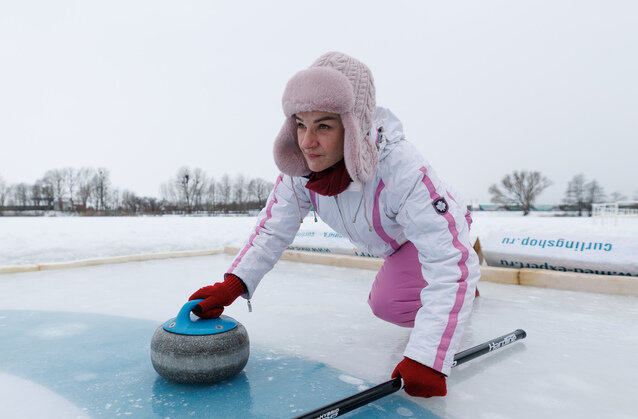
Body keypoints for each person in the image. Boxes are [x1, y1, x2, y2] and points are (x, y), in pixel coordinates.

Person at [189, 52, 480, 398]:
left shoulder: (401, 168)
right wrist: (233, 284)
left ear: (352, 124)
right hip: (393, 244)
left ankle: (468, 280)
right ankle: (463, 287)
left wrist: (429, 357)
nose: (307, 141)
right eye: (300, 124)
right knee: (385, 301)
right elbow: (273, 229)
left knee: (391, 304)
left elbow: (448, 260)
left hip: (432, 233)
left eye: (323, 126)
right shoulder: (302, 170)